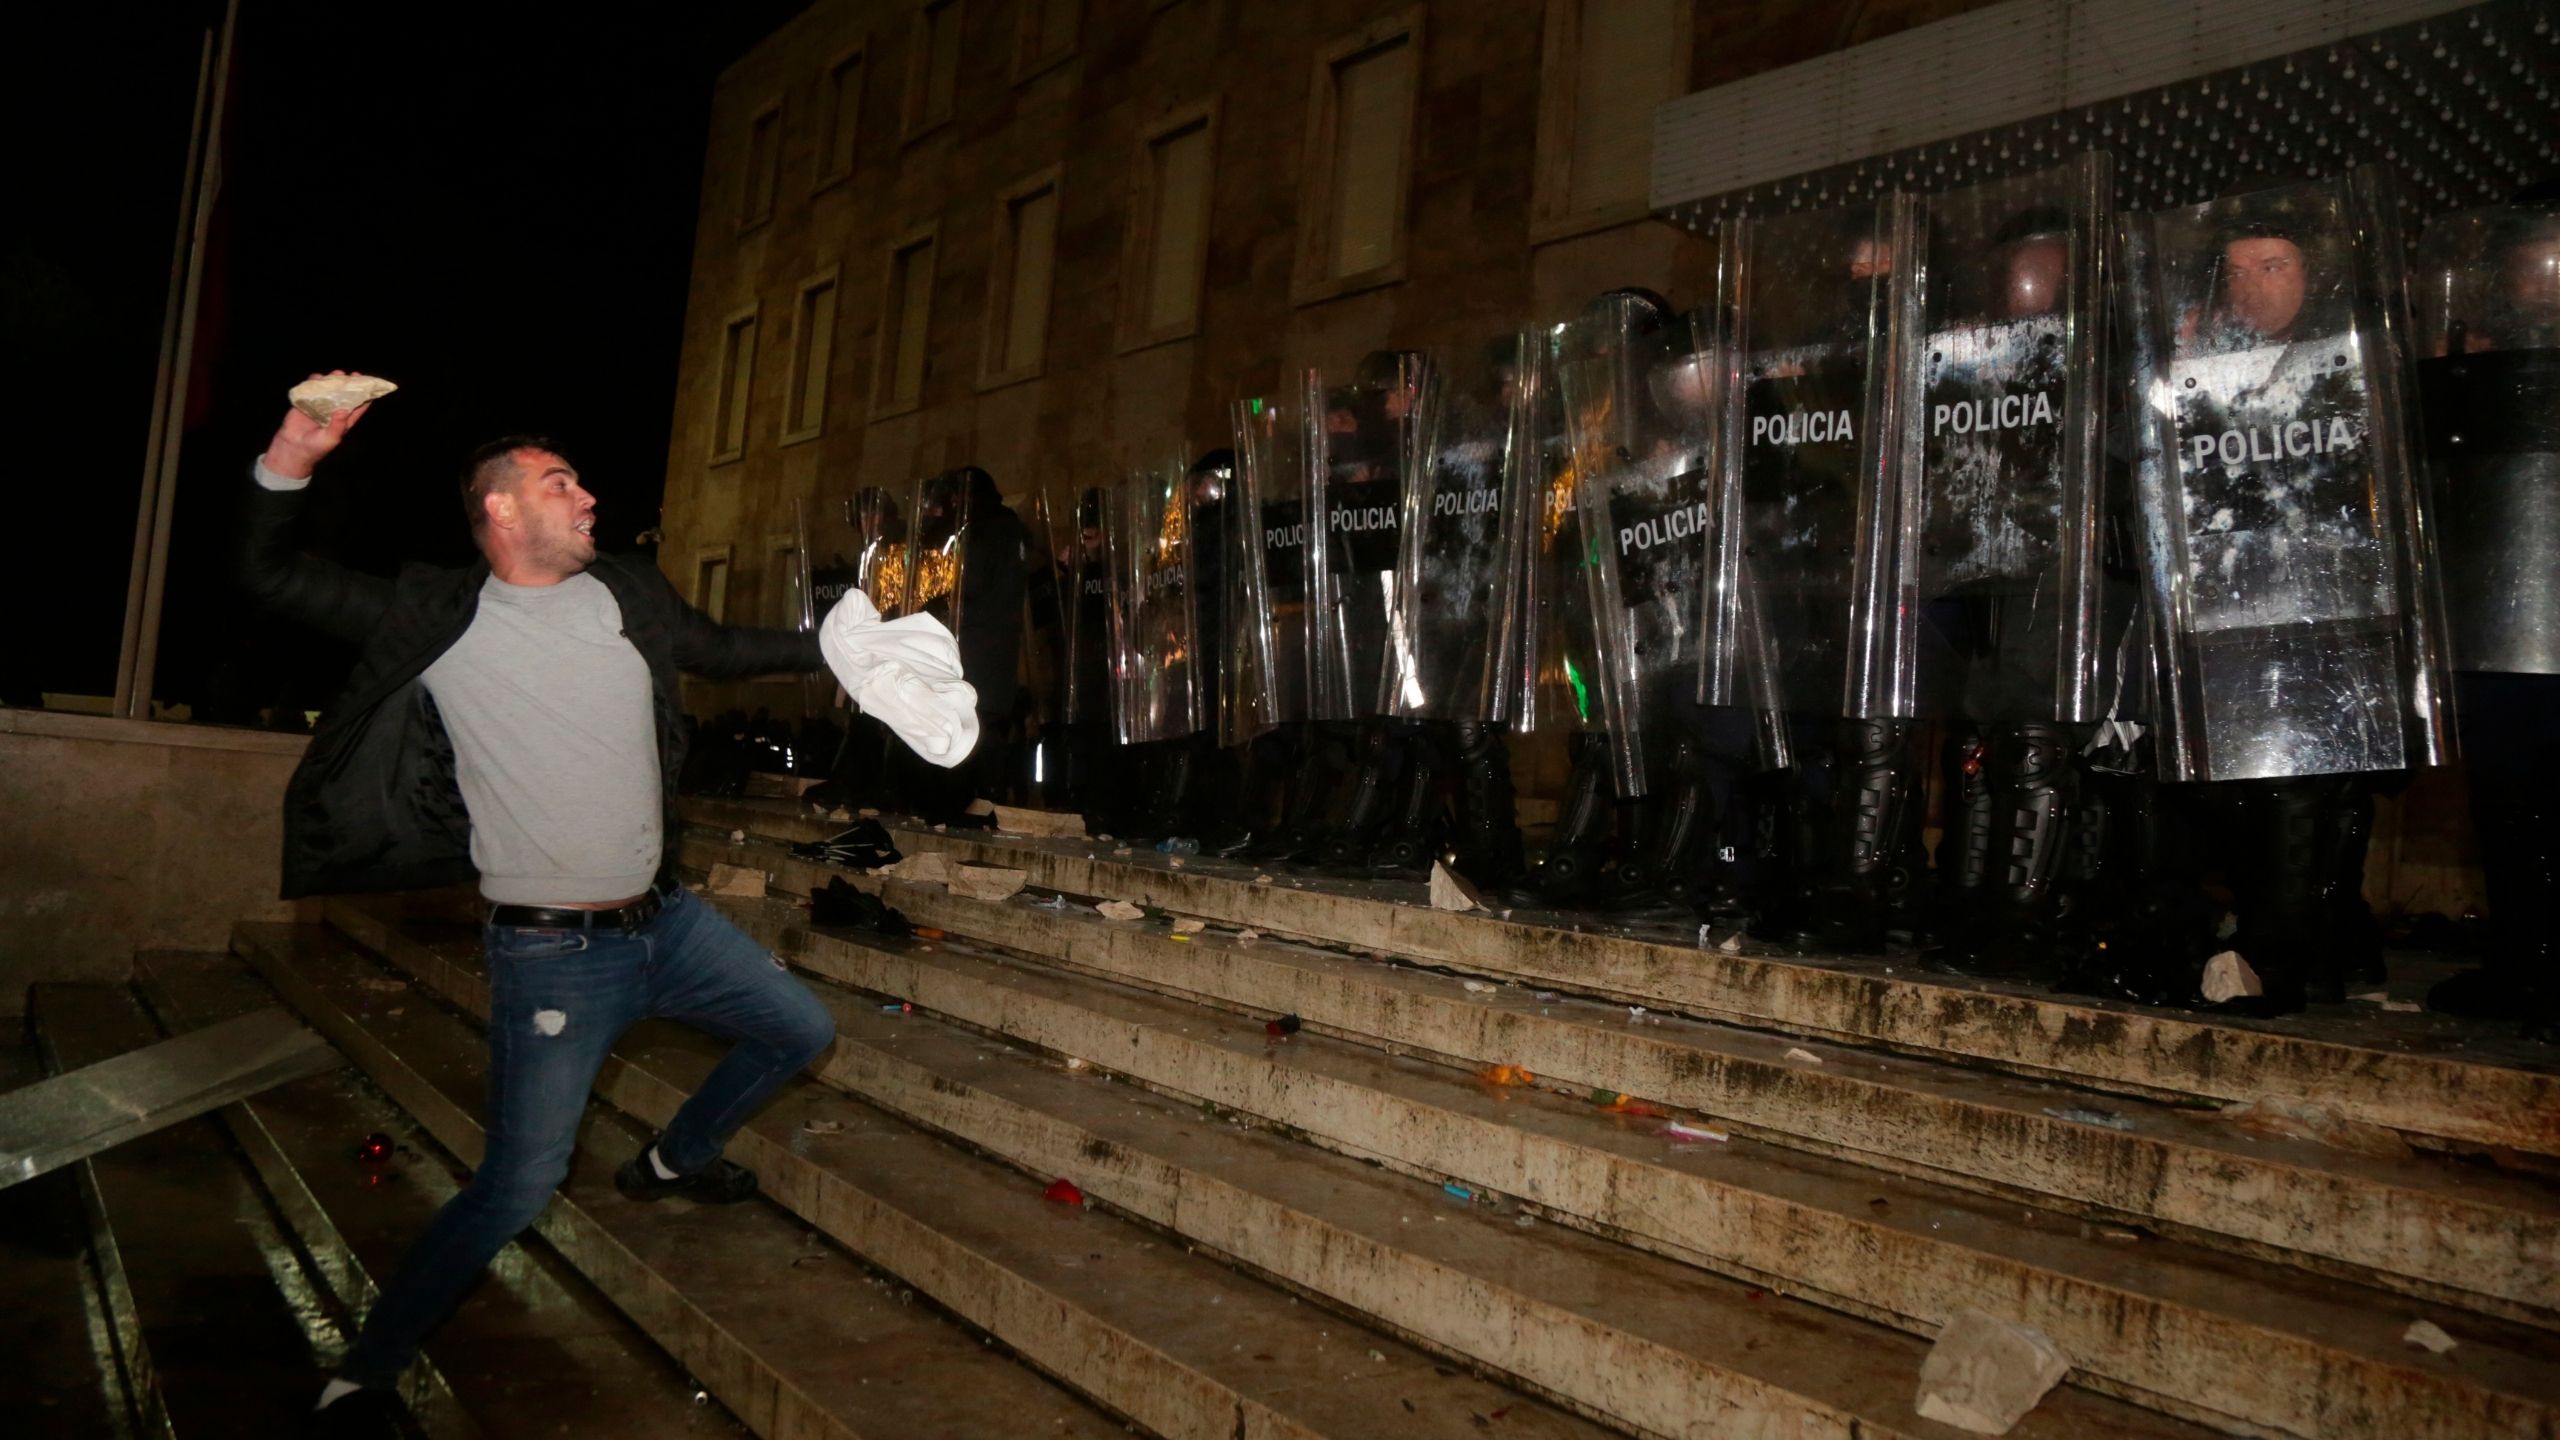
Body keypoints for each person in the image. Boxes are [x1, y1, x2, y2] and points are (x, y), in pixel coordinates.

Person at [237, 378, 839, 1422]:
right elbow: (268, 571)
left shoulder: (628, 594)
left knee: (799, 1027)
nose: (588, 497)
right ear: (503, 510)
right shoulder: (438, 613)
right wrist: (295, 449)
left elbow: (725, 650)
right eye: (562, 484)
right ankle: (364, 1373)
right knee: (517, 1187)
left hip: (671, 922)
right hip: (555, 956)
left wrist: (846, 647)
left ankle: (672, 1157)